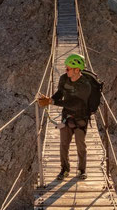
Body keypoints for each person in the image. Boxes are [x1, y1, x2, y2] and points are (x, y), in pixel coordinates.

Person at [37, 53, 101, 181]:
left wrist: (52, 102)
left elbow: (75, 104)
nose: (65, 71)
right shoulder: (64, 79)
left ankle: (82, 170)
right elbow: (60, 93)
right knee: (63, 144)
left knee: (80, 145)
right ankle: (64, 169)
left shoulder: (85, 85)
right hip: (67, 117)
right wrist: (50, 99)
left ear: (77, 70)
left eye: (68, 68)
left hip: (81, 117)